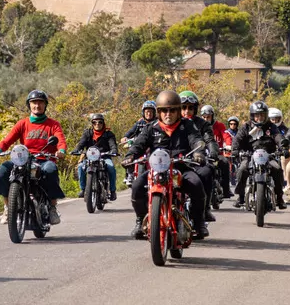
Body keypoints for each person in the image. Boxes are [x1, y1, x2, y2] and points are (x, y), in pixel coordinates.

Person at [125, 90, 213, 240]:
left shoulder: (188, 125)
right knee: (137, 186)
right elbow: (139, 144)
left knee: (197, 184)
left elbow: (196, 140)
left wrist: (199, 153)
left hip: (181, 168)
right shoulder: (151, 128)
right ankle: (140, 221)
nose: (168, 114)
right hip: (157, 169)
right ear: (158, 112)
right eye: (164, 110)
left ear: (178, 111)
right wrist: (130, 156)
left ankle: (199, 222)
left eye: (172, 110)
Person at [0, 90, 67, 225]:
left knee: (50, 169)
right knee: (4, 169)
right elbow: (7, 140)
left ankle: (52, 208)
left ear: (45, 105)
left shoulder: (53, 124)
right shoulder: (22, 124)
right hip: (23, 159)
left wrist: (61, 150)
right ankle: (8, 208)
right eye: (34, 102)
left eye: (40, 102)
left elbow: (60, 140)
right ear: (29, 105)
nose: (37, 105)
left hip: (44, 160)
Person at [232, 101, 286, 207]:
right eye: (257, 115)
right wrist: (235, 150)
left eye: (262, 115)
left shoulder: (271, 127)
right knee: (242, 169)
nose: (259, 118)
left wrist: (283, 147)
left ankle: (279, 197)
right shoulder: (246, 127)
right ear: (252, 116)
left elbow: (278, 137)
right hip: (250, 155)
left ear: (266, 115)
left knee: (277, 169)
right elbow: (237, 139)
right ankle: (241, 197)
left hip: (268, 155)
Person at [179, 92, 220, 222]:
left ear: (195, 109)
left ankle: (204, 208)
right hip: (177, 160)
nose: (187, 111)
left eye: (190, 108)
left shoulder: (203, 124)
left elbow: (209, 140)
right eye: (183, 107)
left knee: (207, 172)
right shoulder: (173, 123)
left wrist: (213, 152)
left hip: (198, 159)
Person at [76, 113, 119, 202]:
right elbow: (81, 143)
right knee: (80, 167)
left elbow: (113, 145)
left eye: (100, 122)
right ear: (92, 124)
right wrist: (77, 150)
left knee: (111, 167)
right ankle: (83, 189)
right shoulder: (87, 133)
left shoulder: (109, 134)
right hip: (90, 157)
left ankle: (113, 190)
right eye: (95, 122)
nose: (97, 124)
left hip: (104, 156)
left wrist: (114, 151)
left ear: (103, 123)